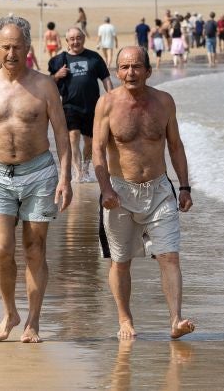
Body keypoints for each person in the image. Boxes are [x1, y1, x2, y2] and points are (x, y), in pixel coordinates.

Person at [0, 15, 72, 344]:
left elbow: (62, 134)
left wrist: (65, 178)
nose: (11, 53)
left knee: (35, 249)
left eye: (17, 47)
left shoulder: (44, 85)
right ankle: (10, 311)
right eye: (5, 47)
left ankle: (33, 321)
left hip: (39, 172)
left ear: (28, 48)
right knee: (0, 249)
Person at [92, 46, 195, 340]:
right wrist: (105, 188)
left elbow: (175, 145)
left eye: (136, 67)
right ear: (117, 71)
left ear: (149, 71)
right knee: (120, 261)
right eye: (124, 67)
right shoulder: (107, 104)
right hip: (119, 191)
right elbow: (97, 150)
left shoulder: (164, 102)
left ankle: (175, 319)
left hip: (159, 188)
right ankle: (125, 319)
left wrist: (184, 187)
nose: (130, 73)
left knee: (169, 256)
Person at [49, 27, 113, 182]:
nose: (75, 41)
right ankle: (78, 173)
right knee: (73, 136)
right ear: (67, 41)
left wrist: (113, 99)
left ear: (83, 38)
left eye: (78, 38)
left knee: (90, 142)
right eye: (72, 39)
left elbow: (106, 79)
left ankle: (85, 168)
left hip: (92, 106)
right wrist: (57, 75)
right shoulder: (58, 60)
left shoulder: (94, 58)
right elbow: (47, 83)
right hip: (70, 106)